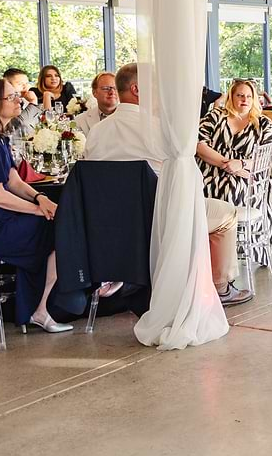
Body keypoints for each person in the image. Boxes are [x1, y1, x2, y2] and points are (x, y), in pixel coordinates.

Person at [85, 64, 250, 307]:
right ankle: (220, 287)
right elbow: (185, 177)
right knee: (226, 213)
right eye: (154, 86)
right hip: (162, 216)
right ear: (137, 89)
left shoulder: (97, 132)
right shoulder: (158, 129)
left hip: (113, 223)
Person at [0, 77, 68, 332]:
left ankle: (39, 307)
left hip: (5, 219)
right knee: (60, 229)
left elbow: (14, 181)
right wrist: (37, 210)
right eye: (10, 97)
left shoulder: (0, 138)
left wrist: (40, 198)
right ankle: (41, 309)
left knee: (57, 222)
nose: (18, 100)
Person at [195, 79, 272, 290]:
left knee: (233, 190)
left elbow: (266, 157)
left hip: (247, 176)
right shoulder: (215, 116)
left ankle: (224, 269)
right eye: (240, 95)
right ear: (231, 96)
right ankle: (208, 258)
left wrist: (240, 163)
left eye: (249, 96)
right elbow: (198, 144)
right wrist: (226, 164)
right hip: (211, 171)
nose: (244, 100)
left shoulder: (263, 123)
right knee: (206, 192)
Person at [2, 68, 42, 139]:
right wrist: (33, 102)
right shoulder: (4, 103)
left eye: (26, 83)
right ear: (7, 84)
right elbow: (19, 124)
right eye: (20, 84)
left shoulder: (25, 100)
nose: (25, 87)